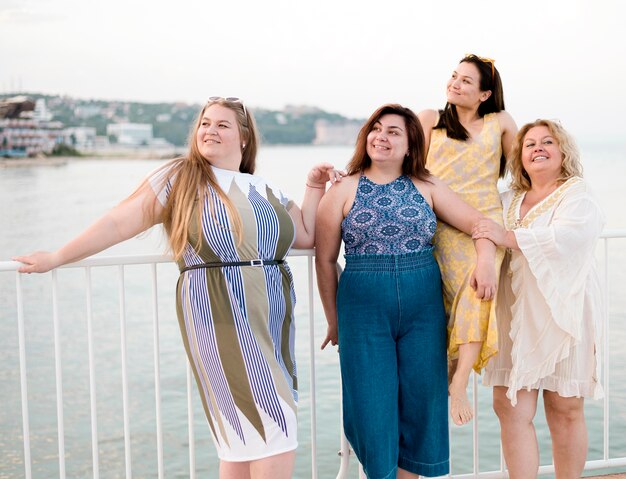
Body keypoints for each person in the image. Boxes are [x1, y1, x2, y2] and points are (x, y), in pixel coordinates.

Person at [13, 97, 340, 479]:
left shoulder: (262, 188)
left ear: (245, 138)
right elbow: (119, 223)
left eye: (222, 125)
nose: (209, 131)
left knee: (242, 439)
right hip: (219, 314)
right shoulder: (181, 177)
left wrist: (313, 186)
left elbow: (303, 235)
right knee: (274, 429)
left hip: (271, 321)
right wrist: (58, 257)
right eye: (204, 123)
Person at [315, 104, 496, 479]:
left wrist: (485, 259)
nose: (382, 137)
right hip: (363, 310)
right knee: (370, 403)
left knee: (422, 403)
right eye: (376, 129)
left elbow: (479, 223)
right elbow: (326, 260)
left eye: (394, 131)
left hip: (423, 308)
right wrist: (334, 319)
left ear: (411, 144)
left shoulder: (427, 186)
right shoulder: (342, 190)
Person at [472, 119, 605, 479]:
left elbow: (568, 239)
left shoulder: (577, 194)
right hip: (514, 310)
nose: (538, 148)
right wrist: (488, 247)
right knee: (510, 406)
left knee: (565, 408)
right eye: (529, 144)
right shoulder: (507, 199)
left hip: (564, 311)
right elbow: (479, 226)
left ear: (563, 152)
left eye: (547, 141)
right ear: (520, 157)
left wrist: (507, 236)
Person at [417, 53, 518, 425]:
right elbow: (403, 166)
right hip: (441, 222)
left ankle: (458, 382)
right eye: (454, 77)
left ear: (485, 94)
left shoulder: (500, 122)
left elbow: (521, 173)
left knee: (480, 284)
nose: (454, 84)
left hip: (486, 226)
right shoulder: (429, 120)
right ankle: (449, 375)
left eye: (465, 81)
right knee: (446, 306)